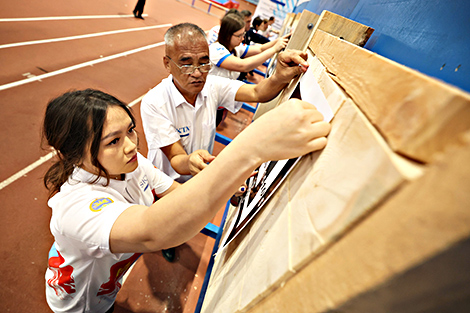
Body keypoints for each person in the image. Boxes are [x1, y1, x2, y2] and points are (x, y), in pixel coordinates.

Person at [43, 89, 331, 313]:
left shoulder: (130, 164)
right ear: (71, 153)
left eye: (130, 130)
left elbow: (176, 196)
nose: (132, 145)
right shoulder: (75, 207)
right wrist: (249, 150)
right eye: (113, 141)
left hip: (105, 286)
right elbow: (153, 231)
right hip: (79, 304)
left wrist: (228, 182)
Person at [140, 23, 302, 183]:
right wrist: (191, 161)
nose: (197, 73)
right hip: (165, 186)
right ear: (167, 63)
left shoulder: (212, 85)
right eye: (186, 64)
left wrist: (279, 76)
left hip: (198, 179)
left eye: (204, 63)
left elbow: (257, 92)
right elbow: (175, 157)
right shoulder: (154, 102)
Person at [209, 13, 288, 80]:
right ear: (227, 35)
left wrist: (278, 41)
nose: (242, 38)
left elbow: (260, 49)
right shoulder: (216, 50)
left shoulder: (236, 48)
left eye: (243, 34)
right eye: (239, 36)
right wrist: (274, 49)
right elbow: (244, 65)